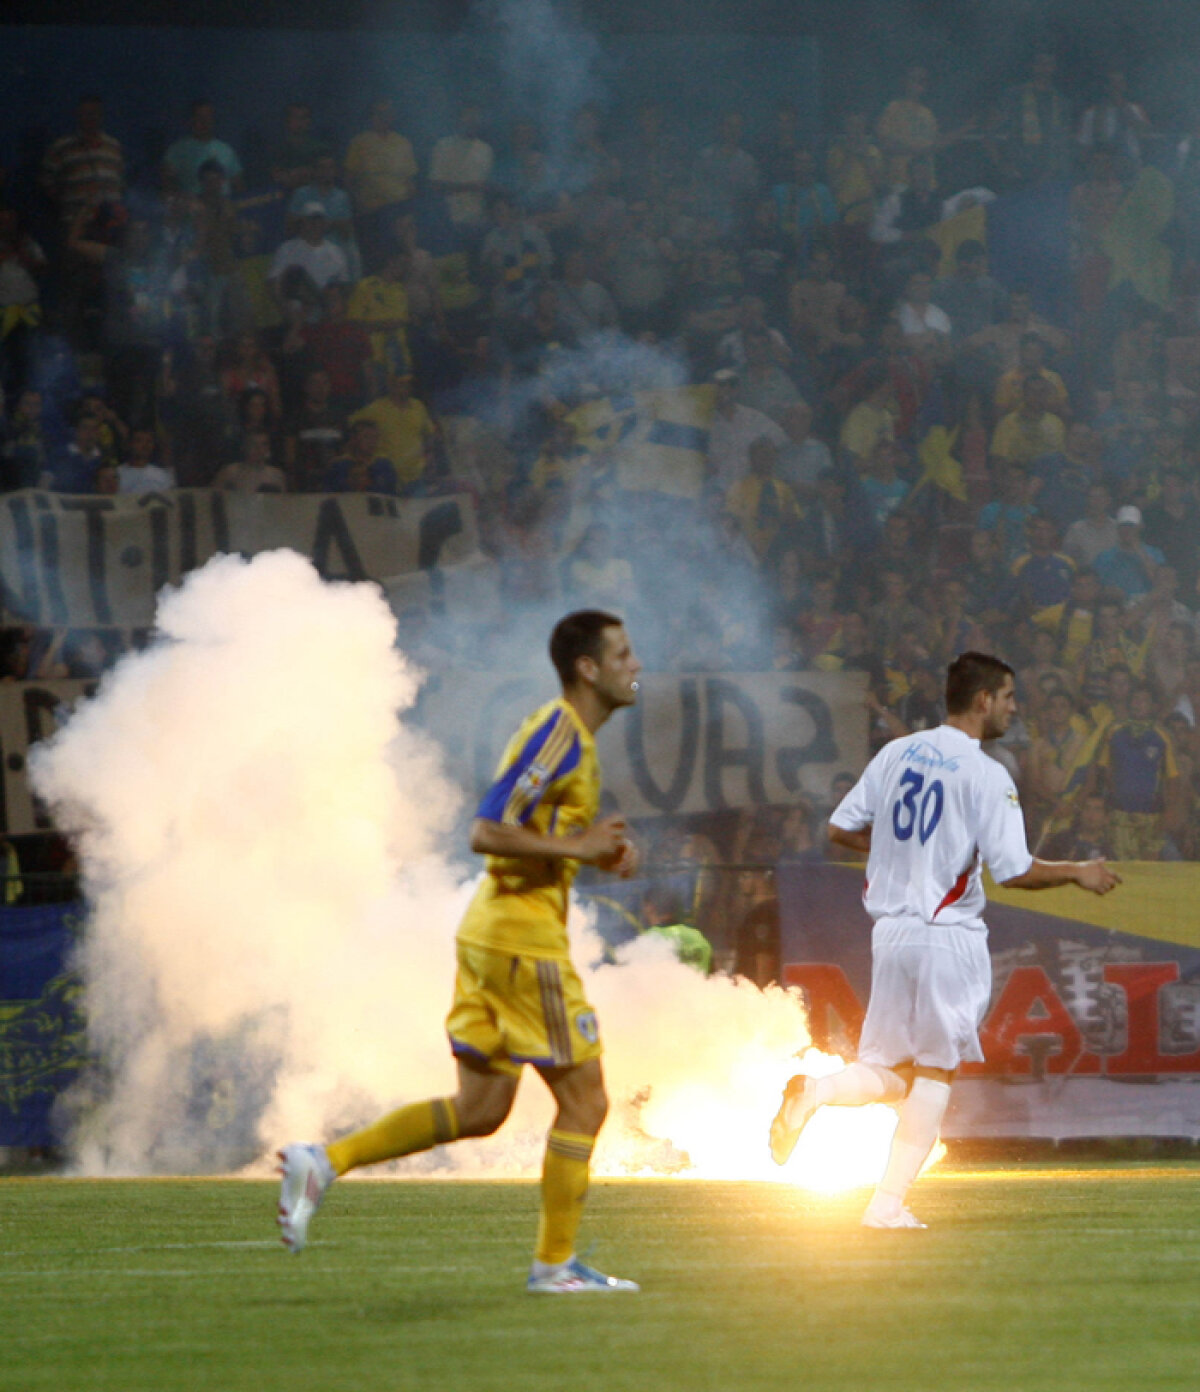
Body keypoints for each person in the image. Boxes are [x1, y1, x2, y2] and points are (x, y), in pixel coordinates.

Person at [276, 610, 643, 1293]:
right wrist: (577, 847)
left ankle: (323, 1161)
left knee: (480, 1111)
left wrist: (595, 853)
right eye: (622, 653)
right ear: (587, 668)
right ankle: (554, 1267)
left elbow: (532, 836)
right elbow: (486, 829)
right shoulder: (559, 733)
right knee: (587, 1105)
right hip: (520, 944)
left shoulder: (574, 742)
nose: (636, 664)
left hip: (492, 935)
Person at [768, 651, 1120, 1229]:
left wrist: (896, 853)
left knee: (895, 1071)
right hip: (945, 934)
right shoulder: (986, 774)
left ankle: (816, 1091)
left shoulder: (895, 754)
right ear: (983, 700)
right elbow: (1012, 871)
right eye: (1008, 697)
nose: (1012, 707)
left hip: (891, 934)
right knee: (935, 1072)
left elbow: (839, 826)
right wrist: (1078, 871)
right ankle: (886, 1206)